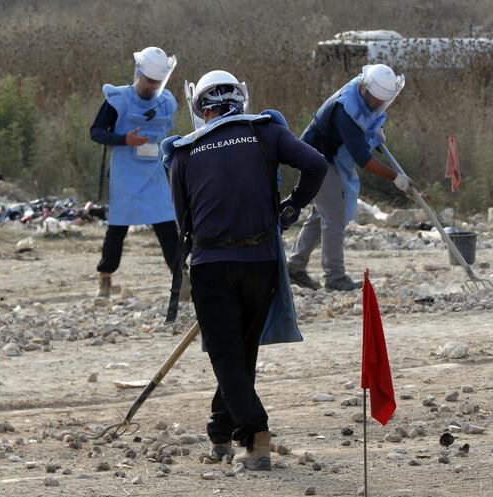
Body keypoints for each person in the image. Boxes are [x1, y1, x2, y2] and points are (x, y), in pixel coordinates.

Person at [163, 70, 327, 470]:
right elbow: (317, 164)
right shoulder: (265, 131)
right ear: (241, 100)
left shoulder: (183, 152)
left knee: (226, 354)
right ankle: (220, 431)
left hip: (211, 265)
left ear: (201, 107)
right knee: (240, 352)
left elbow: (182, 220)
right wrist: (292, 206)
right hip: (261, 263)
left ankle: (256, 436)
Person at [287, 64, 414, 291]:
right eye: (374, 100)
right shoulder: (346, 110)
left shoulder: (362, 87)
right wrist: (396, 178)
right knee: (335, 217)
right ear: (365, 88)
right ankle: (335, 278)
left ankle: (294, 267)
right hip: (316, 159)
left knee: (322, 215)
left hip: (327, 156)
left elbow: (367, 122)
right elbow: (363, 159)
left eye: (380, 101)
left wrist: (374, 132)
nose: (377, 105)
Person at [89, 46, 188, 299]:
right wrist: (124, 139)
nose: (151, 86)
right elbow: (96, 132)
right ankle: (105, 277)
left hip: (154, 173)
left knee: (167, 227)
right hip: (125, 175)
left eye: (156, 82)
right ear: (138, 74)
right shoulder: (117, 99)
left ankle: (183, 279)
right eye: (148, 81)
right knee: (117, 230)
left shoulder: (166, 102)